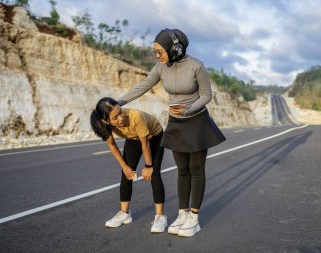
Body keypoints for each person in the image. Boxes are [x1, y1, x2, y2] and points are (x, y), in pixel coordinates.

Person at [118, 28, 226, 237]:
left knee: (196, 169)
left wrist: (189, 108)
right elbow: (143, 86)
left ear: (175, 48)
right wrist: (118, 102)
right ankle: (182, 213)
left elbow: (206, 95)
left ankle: (194, 217)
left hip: (196, 121)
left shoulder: (196, 66)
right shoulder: (161, 67)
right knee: (181, 170)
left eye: (160, 51)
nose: (157, 56)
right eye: (155, 52)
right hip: (176, 123)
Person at [90, 97, 167, 233]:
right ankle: (125, 214)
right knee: (127, 173)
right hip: (133, 138)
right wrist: (124, 166)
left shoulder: (135, 116)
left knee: (154, 174)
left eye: (120, 112)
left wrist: (148, 166)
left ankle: (160, 217)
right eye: (115, 117)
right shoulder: (104, 125)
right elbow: (113, 145)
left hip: (154, 136)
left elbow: (145, 144)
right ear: (105, 121)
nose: (121, 118)